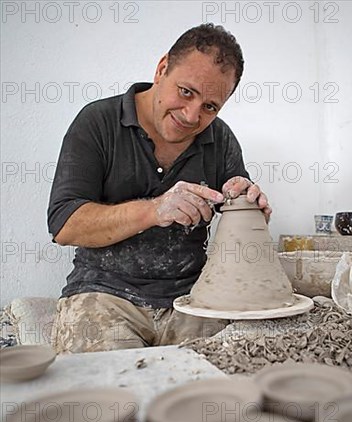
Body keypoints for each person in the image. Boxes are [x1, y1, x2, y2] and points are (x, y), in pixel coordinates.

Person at [48, 23, 271, 353]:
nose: (192, 115)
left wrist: (251, 205)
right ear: (162, 68)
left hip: (192, 299)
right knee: (116, 392)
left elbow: (239, 215)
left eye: (210, 106)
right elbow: (64, 225)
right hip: (104, 294)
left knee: (224, 381)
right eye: (186, 92)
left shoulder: (220, 139)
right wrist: (154, 210)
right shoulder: (98, 122)